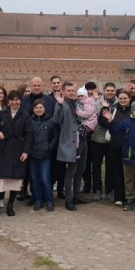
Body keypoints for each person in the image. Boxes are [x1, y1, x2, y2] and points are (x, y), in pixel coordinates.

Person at [103, 100, 135, 214]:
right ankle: (129, 200)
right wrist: (110, 121)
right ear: (132, 111)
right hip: (127, 156)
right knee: (128, 180)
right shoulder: (126, 122)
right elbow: (114, 131)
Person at [0, 90, 32, 216]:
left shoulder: (25, 115)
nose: (14, 102)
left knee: (15, 179)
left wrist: (25, 151)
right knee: (1, 180)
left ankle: (10, 205)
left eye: (17, 100)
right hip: (4, 149)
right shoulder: (2, 113)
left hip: (18, 149)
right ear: (8, 100)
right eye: (12, 100)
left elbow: (28, 134)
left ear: (20, 100)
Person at [53, 82, 90, 211]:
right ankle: (68, 200)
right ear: (63, 91)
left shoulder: (77, 103)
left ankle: (77, 196)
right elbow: (56, 120)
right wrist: (59, 104)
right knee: (71, 172)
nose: (71, 92)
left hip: (82, 141)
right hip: (71, 143)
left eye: (73, 90)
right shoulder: (62, 104)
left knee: (81, 170)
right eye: (69, 90)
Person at [98, 90, 132, 206]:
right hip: (115, 145)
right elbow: (104, 123)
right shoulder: (113, 110)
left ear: (129, 99)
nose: (123, 100)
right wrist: (107, 115)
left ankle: (129, 197)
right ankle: (118, 197)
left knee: (128, 173)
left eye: (125, 98)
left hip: (129, 146)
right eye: (121, 98)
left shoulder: (133, 110)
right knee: (116, 171)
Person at [28, 98, 59, 211]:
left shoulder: (50, 121)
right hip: (32, 154)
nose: (38, 109)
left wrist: (49, 147)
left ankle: (49, 201)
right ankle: (38, 200)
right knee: (34, 179)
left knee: (45, 178)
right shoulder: (30, 120)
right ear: (33, 109)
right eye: (36, 107)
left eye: (40, 107)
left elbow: (55, 136)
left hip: (45, 155)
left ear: (44, 108)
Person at [89, 82, 117, 201]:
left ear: (115, 91)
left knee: (111, 167)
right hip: (98, 138)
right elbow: (95, 119)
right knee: (96, 166)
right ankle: (97, 189)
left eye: (112, 90)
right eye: (108, 90)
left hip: (111, 140)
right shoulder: (96, 103)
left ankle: (110, 190)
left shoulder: (118, 103)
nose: (110, 92)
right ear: (104, 91)